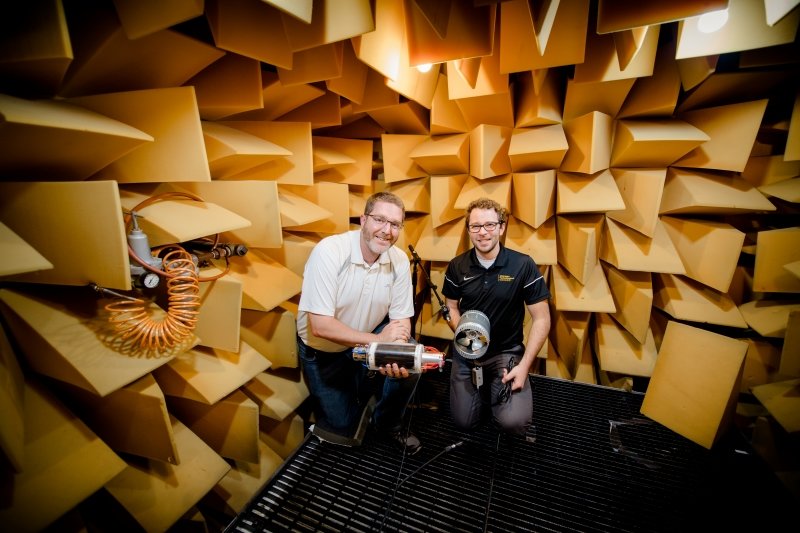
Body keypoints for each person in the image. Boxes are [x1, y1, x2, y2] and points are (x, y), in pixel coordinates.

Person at [296, 191, 422, 455]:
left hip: (363, 340)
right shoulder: (330, 251)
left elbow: (401, 322)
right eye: (379, 220)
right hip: (323, 351)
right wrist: (380, 341)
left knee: (409, 356)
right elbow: (320, 326)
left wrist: (395, 351)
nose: (386, 230)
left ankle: (388, 422)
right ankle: (363, 392)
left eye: (395, 224)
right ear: (363, 220)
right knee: (343, 427)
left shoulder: (398, 259)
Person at [442, 197, 551, 435]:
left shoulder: (522, 265)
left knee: (514, 424)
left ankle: (495, 391)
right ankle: (482, 392)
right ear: (468, 230)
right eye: (476, 226)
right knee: (464, 423)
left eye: (490, 225)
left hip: (506, 352)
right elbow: (450, 306)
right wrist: (466, 337)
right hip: (467, 353)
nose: (483, 232)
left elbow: (542, 318)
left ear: (501, 227)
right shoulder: (457, 266)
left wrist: (524, 366)